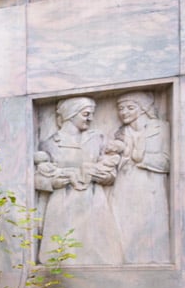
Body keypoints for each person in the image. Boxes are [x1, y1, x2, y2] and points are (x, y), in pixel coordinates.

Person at [34, 96, 121, 265]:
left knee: (100, 254)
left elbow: (111, 172)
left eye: (91, 114)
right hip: (63, 203)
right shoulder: (50, 144)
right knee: (63, 255)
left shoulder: (97, 139)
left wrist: (103, 175)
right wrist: (56, 180)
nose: (90, 118)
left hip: (94, 201)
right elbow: (38, 179)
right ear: (71, 114)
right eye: (86, 114)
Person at [111, 91, 171, 264]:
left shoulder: (161, 127)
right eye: (120, 108)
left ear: (143, 108)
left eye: (130, 107)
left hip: (149, 189)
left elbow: (167, 162)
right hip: (123, 187)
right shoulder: (120, 133)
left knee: (149, 228)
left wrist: (143, 159)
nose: (124, 112)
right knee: (122, 227)